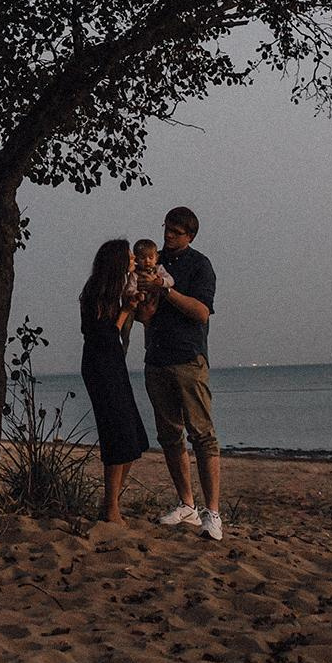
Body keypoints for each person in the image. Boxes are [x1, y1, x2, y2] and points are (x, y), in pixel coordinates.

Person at [138, 207, 223, 541]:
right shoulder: (153, 261)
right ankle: (186, 504)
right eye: (166, 229)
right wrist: (144, 292)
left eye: (176, 231)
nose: (168, 236)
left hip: (189, 358)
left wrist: (165, 289)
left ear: (190, 235)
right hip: (156, 358)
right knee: (169, 435)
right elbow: (145, 316)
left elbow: (201, 313)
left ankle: (212, 512)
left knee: (201, 434)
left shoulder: (200, 265)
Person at [80, 238, 150, 523]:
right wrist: (124, 310)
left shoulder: (110, 290)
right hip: (101, 363)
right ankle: (111, 509)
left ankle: (111, 503)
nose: (135, 260)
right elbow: (104, 334)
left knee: (132, 435)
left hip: (111, 360)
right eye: (130, 257)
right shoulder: (98, 290)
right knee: (117, 433)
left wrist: (127, 308)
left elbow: (113, 332)